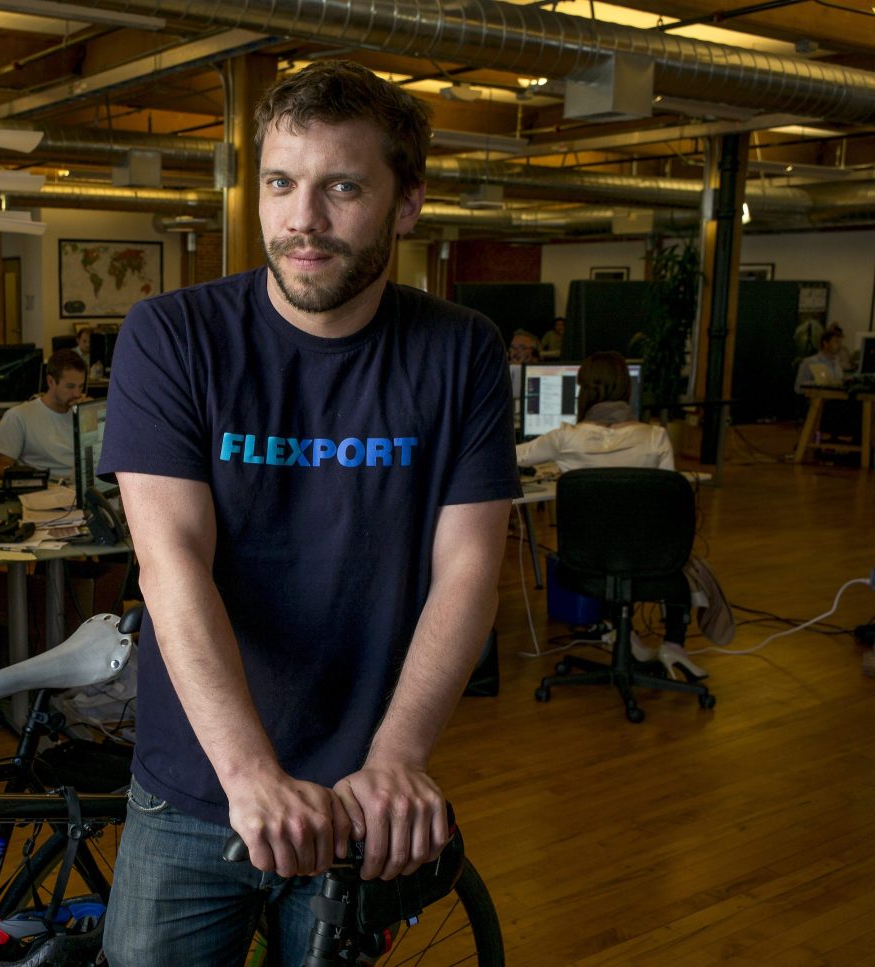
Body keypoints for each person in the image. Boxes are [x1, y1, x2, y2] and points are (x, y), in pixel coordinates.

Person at [97, 60, 519, 964]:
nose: (302, 219)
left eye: (343, 188)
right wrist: (249, 773)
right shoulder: (173, 336)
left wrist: (399, 756)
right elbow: (171, 562)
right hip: (195, 786)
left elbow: (469, 569)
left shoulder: (461, 352)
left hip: (363, 796)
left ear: (407, 204)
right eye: (281, 183)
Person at [514, 351, 704, 680]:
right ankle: (673, 644)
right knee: (669, 561)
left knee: (608, 544)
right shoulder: (656, 438)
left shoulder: (564, 438)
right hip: (650, 562)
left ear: (583, 390)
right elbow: (666, 504)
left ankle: (618, 630)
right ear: (628, 390)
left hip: (584, 564)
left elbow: (510, 456)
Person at [0, 348, 87, 481]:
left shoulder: (83, 413)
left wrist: (91, 415)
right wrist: (35, 480)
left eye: (81, 386)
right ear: (50, 381)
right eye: (70, 386)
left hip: (81, 487)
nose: (77, 394)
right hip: (46, 488)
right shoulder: (18, 416)